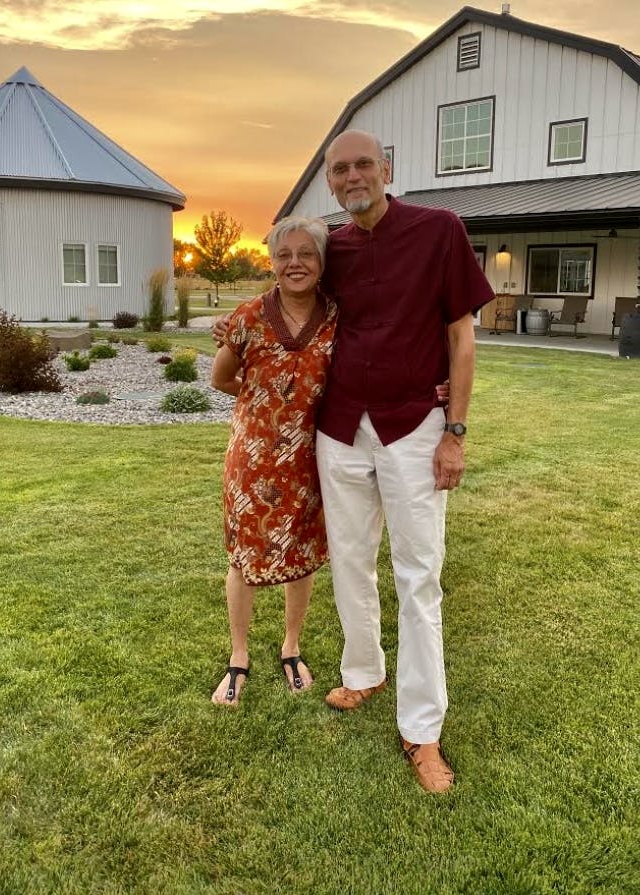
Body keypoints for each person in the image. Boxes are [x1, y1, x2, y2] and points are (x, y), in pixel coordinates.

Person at [215, 130, 494, 793]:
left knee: (419, 574)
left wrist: (454, 429)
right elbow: (288, 294)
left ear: (387, 170)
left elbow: (461, 339)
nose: (352, 175)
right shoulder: (329, 248)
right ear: (331, 184)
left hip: (414, 427)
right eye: (339, 169)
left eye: (363, 163)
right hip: (340, 429)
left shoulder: (439, 230)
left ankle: (422, 728)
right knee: (349, 561)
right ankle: (363, 672)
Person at [209, 216, 337, 705]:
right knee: (245, 556)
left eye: (306, 253)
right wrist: (264, 403)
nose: (295, 263)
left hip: (308, 458)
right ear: (272, 262)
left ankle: (291, 646)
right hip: (252, 459)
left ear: (322, 262)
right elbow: (221, 379)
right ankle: (238, 655)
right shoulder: (246, 317)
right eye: (284, 255)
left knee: (299, 553)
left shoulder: (337, 316)